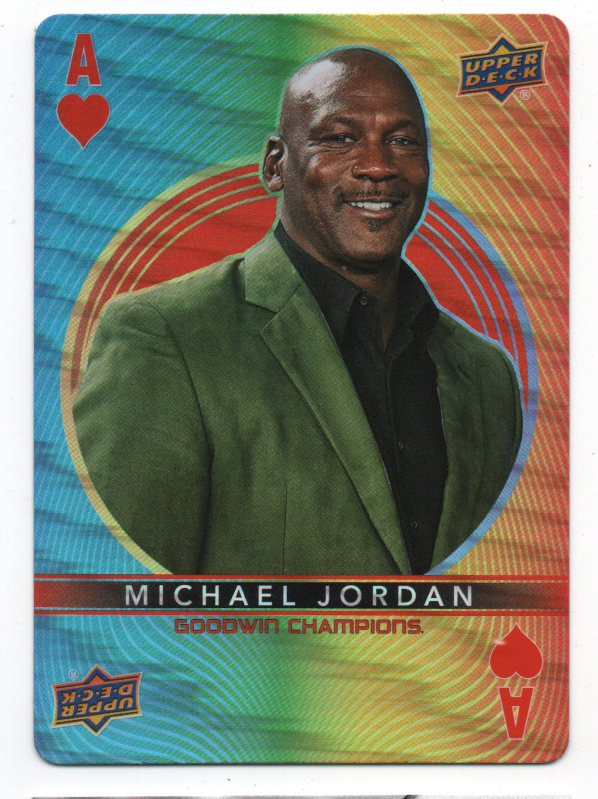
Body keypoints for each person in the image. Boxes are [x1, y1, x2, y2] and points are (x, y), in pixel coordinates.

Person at [73, 48, 522, 575]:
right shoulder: (164, 337)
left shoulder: (488, 375)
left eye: (403, 141)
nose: (378, 166)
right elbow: (116, 595)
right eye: (340, 138)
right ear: (275, 165)